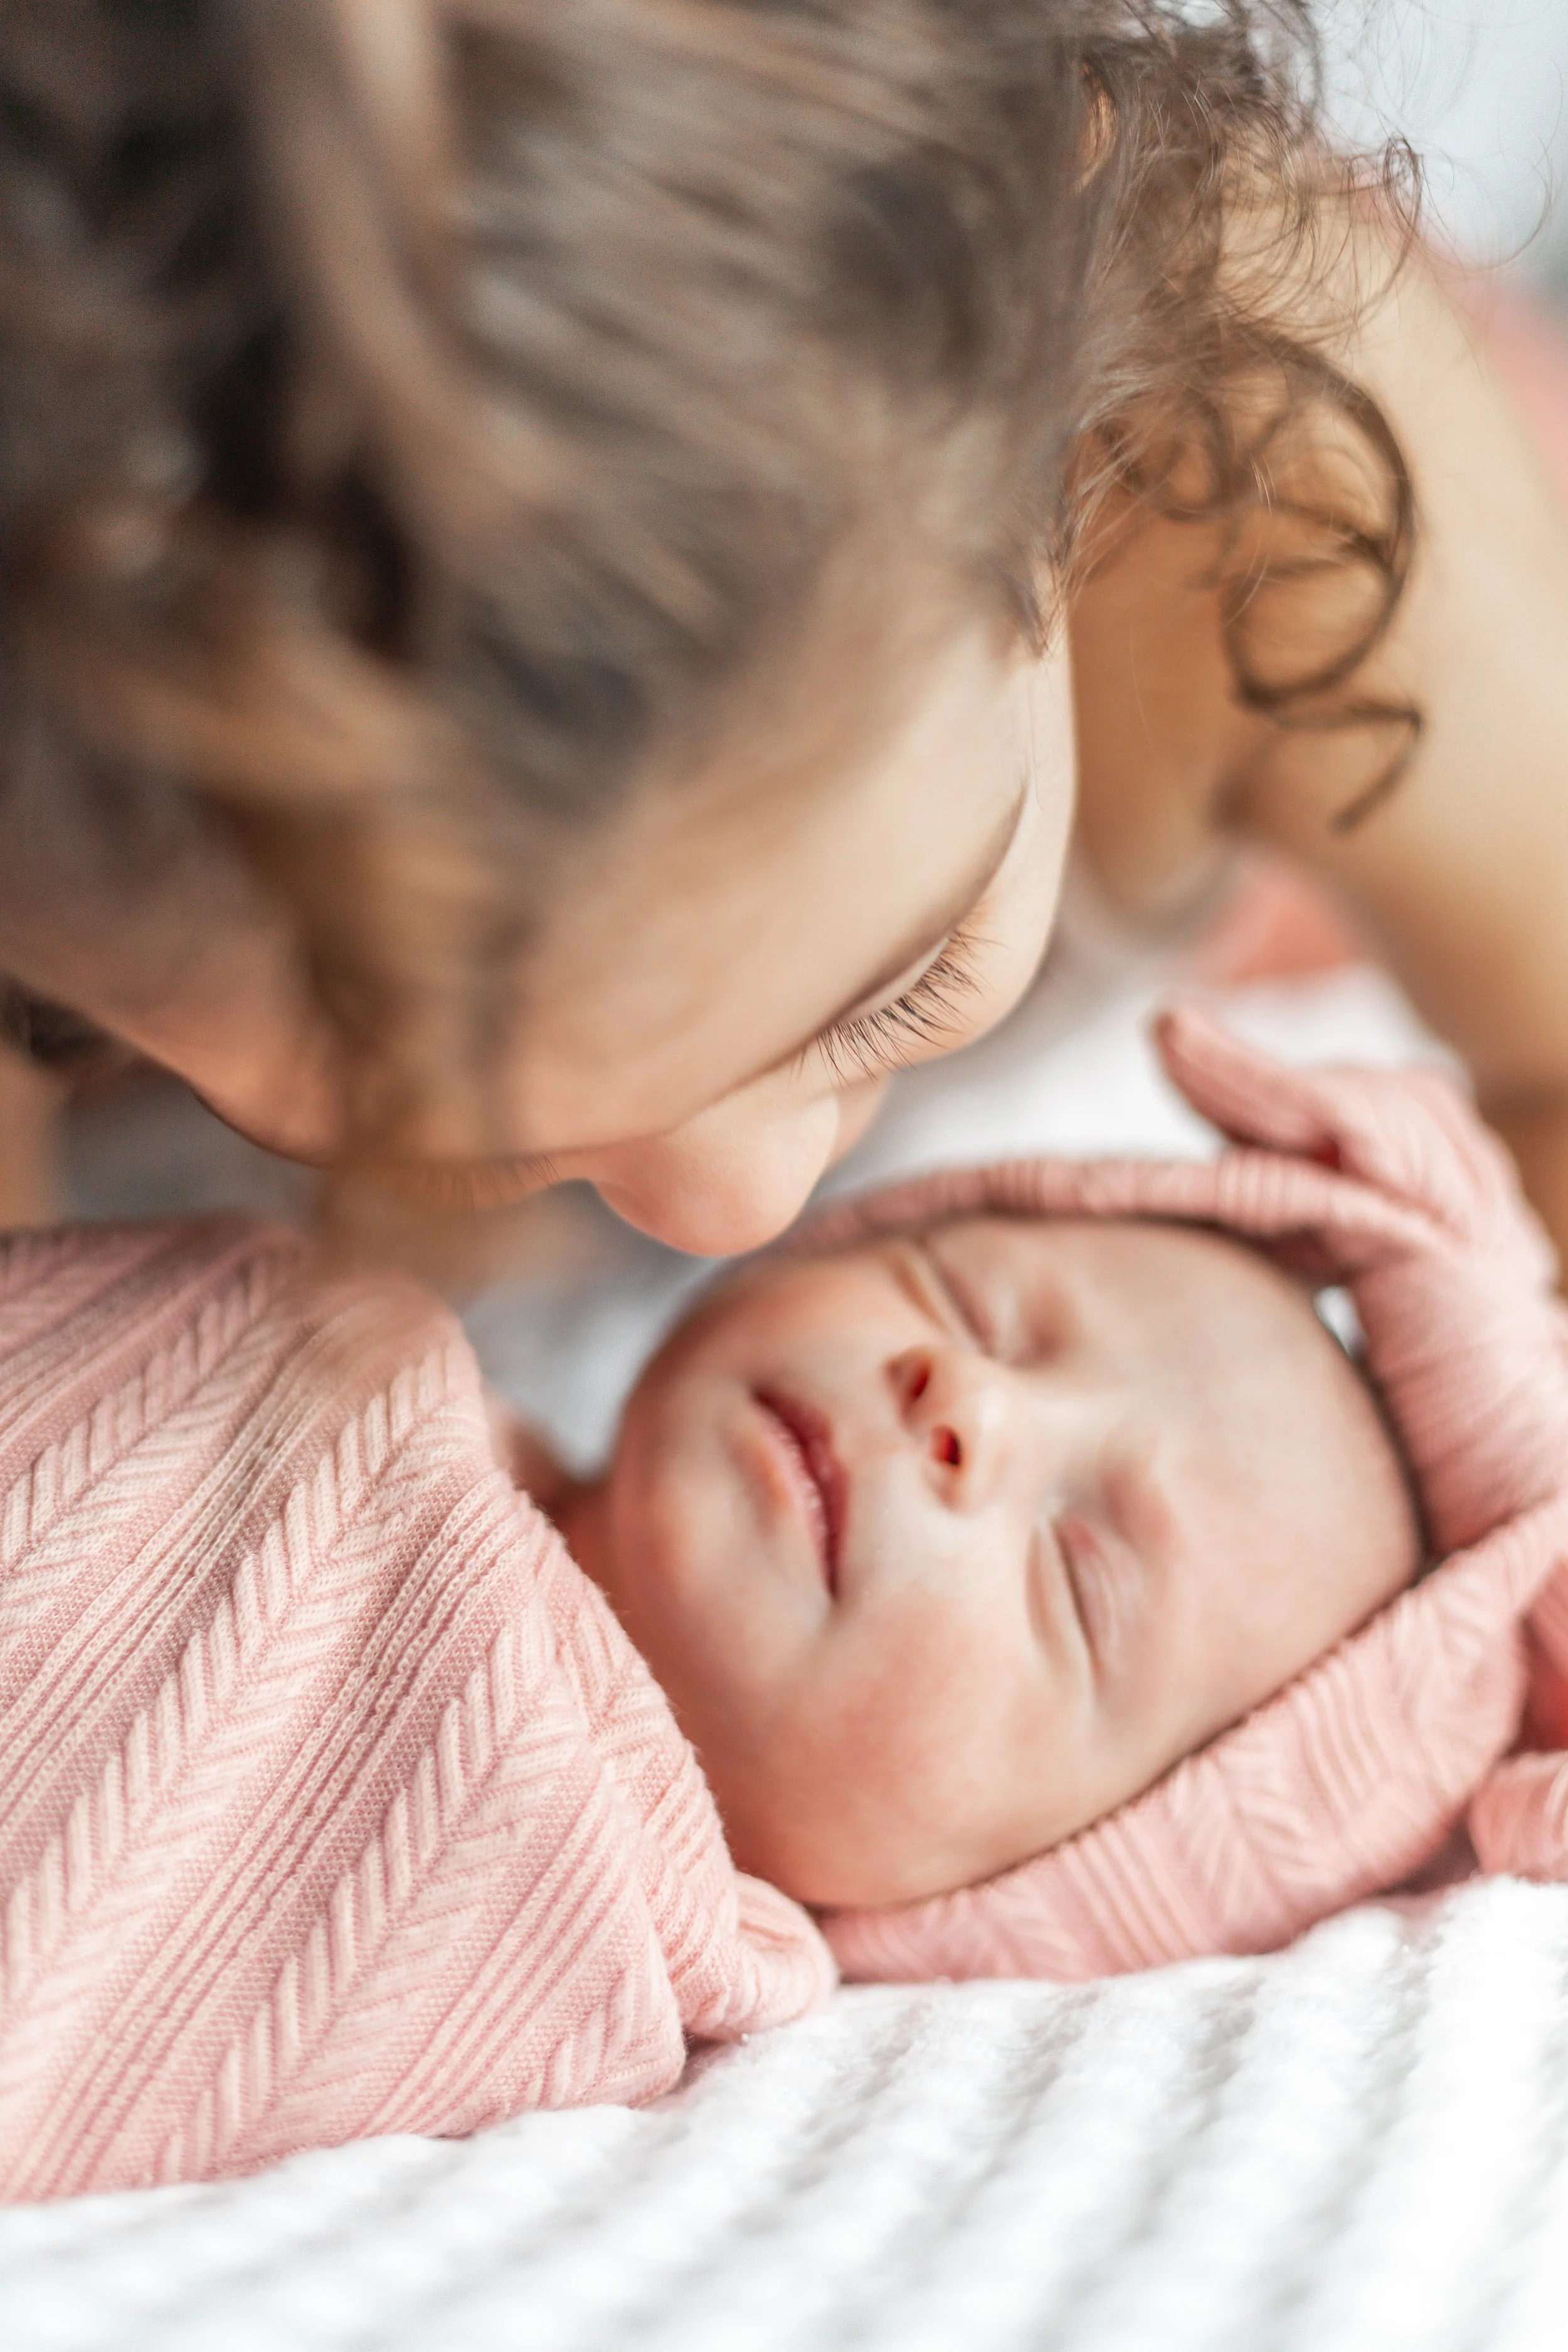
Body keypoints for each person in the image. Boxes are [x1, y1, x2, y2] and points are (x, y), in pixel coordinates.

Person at [6, 5, 1568, 1274]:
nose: (726, 1218)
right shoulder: (70, 792)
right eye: (419, 1152)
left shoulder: (1279, 472)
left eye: (908, 979)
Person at [540, 1198, 1421, 1909]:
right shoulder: (417, 1354)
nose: (975, 1400)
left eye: (1076, 1583)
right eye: (968, 1305)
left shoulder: (607, 1980)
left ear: (1023, 1884)